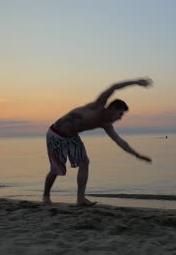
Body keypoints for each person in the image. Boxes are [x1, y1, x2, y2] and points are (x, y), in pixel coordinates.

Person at [43, 77, 153, 206]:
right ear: (112, 108)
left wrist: (137, 155)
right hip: (56, 134)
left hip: (72, 137)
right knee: (56, 169)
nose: (120, 118)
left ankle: (80, 199)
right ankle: (46, 196)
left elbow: (120, 141)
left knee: (84, 162)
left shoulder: (106, 124)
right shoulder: (97, 106)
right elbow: (114, 86)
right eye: (120, 114)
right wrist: (136, 82)